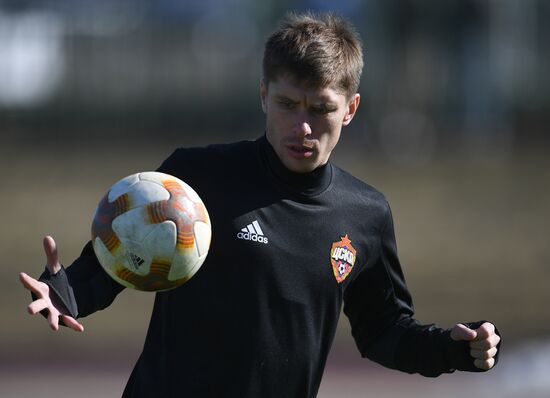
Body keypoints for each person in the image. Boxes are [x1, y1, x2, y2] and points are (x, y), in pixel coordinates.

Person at [20, 11, 501, 398]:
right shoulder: (194, 177)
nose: (303, 126)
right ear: (263, 96)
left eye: (320, 108)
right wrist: (69, 292)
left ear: (350, 109)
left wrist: (453, 350)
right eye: (288, 104)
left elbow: (383, 330)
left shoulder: (365, 214)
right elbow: (123, 256)